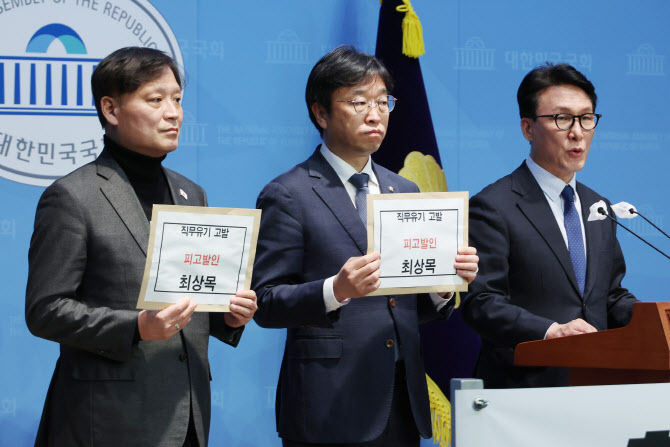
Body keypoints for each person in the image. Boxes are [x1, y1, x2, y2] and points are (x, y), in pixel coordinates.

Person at [25, 47, 257, 447]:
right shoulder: (72, 197)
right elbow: (45, 311)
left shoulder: (191, 193)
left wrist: (228, 318)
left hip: (187, 415)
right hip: (108, 419)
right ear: (111, 109)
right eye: (156, 100)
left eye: (178, 100)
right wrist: (135, 327)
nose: (174, 113)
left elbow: (188, 295)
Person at [251, 46, 479, 447]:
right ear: (320, 113)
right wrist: (334, 290)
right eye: (358, 102)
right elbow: (266, 303)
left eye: (382, 102)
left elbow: (400, 306)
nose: (375, 114)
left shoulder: (404, 190)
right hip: (328, 405)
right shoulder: (288, 193)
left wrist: (442, 287)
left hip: (400, 400)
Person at [461, 63, 638, 389]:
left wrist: (655, 319)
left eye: (586, 118)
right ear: (528, 128)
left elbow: (610, 297)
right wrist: (551, 331)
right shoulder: (494, 206)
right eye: (562, 118)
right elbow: (481, 303)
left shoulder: (598, 207)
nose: (577, 132)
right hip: (524, 388)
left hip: (597, 384)